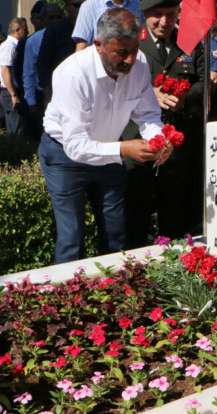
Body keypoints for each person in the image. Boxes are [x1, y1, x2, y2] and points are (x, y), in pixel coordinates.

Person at [40, 8, 171, 264]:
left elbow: (147, 114)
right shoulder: (72, 73)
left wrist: (159, 140)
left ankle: (115, 296)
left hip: (110, 157)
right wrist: (124, 149)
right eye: (122, 52)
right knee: (72, 239)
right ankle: (69, 299)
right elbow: (76, 146)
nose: (131, 59)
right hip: (65, 158)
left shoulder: (140, 63)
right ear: (98, 44)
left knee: (114, 236)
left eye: (134, 49)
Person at [123, 0, 205, 248]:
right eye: (157, 15)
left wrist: (184, 98)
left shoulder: (189, 41)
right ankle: (134, 265)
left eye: (170, 15)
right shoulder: (131, 41)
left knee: (174, 209)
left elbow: (204, 85)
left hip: (176, 144)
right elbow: (116, 84)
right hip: (138, 141)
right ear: (145, 14)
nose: (164, 22)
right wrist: (150, 94)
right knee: (136, 210)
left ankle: (174, 266)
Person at [23, 3, 66, 137]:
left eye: (58, 17)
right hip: (44, 95)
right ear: (44, 19)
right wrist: (31, 102)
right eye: (51, 18)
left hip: (67, 92)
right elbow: (28, 73)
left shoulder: (71, 36)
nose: (55, 21)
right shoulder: (33, 41)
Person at [39, 0, 87, 106]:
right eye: (77, 5)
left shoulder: (94, 27)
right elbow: (43, 64)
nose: (83, 8)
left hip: (88, 87)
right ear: (67, 8)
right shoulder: (55, 30)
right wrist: (47, 94)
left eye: (85, 4)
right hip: (61, 89)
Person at [0, 18, 29, 135]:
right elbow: (5, 70)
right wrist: (13, 95)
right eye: (25, 29)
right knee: (17, 131)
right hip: (10, 92)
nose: (28, 32)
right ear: (17, 30)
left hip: (14, 91)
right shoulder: (9, 46)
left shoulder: (16, 45)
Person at [72, 0, 144, 52]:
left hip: (131, 66)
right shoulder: (89, 6)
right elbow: (81, 47)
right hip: (99, 68)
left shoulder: (138, 5)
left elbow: (143, 40)